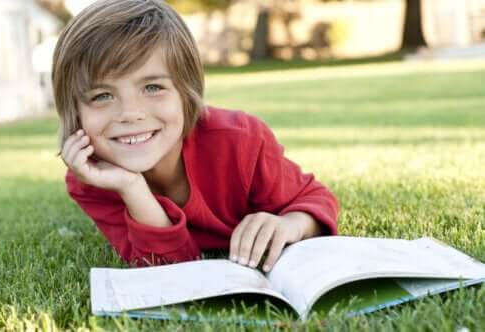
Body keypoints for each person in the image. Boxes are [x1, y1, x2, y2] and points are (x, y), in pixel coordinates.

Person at [53, 0, 339, 273]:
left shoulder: (240, 141)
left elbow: (315, 198)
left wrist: (292, 224)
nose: (130, 114)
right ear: (74, 111)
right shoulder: (92, 179)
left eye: (152, 87)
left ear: (185, 92)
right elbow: (164, 268)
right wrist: (132, 189)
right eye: (102, 95)